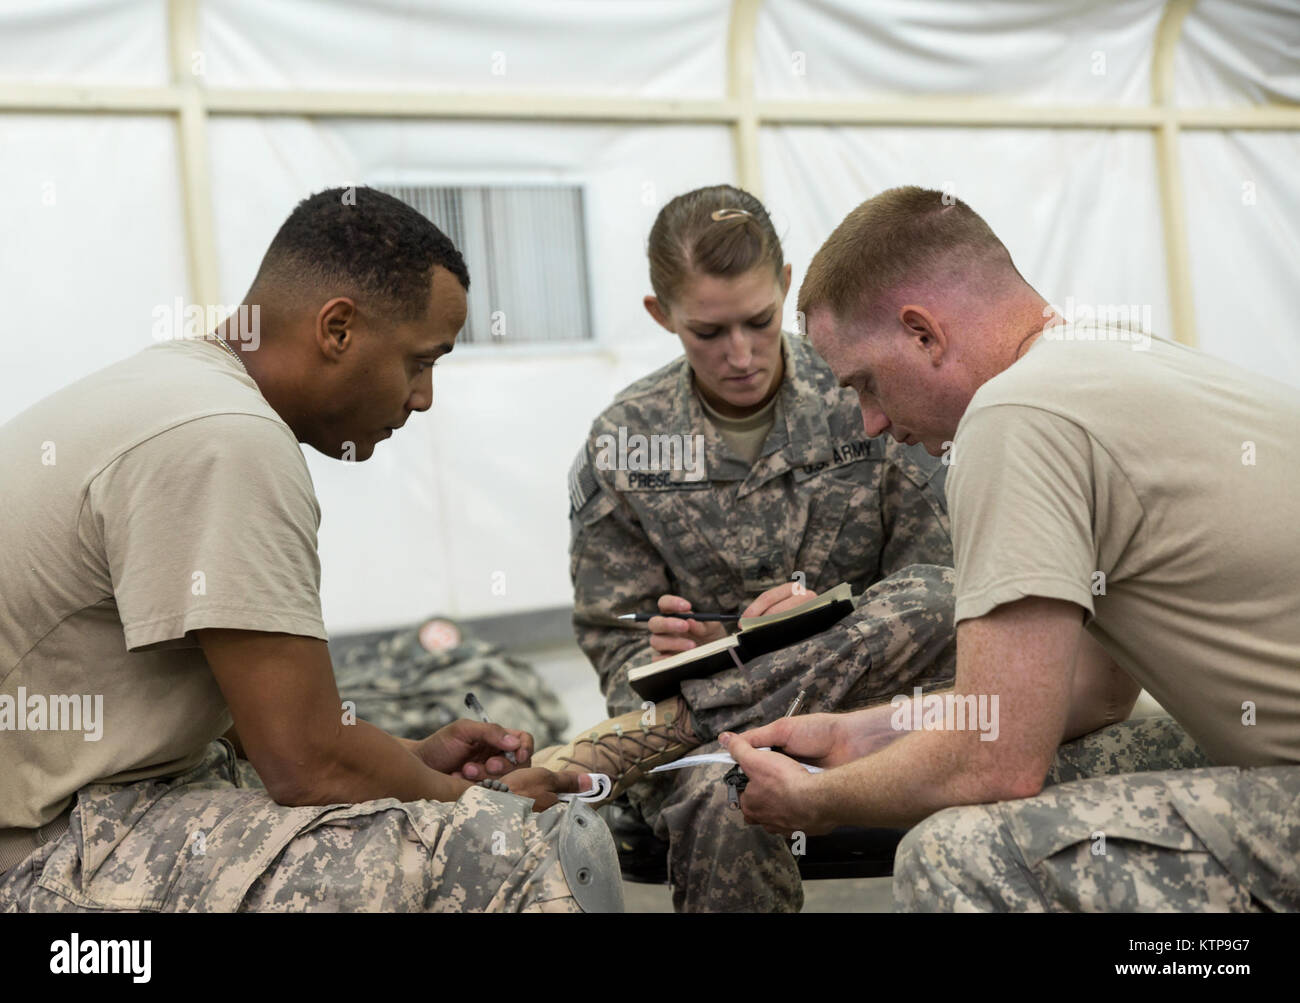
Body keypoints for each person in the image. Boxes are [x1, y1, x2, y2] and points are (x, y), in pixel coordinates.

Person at [0, 187, 621, 913]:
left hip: (82, 806)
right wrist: (467, 801)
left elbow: (259, 720)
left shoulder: (179, 389)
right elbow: (305, 761)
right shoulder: (227, 437)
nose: (422, 398)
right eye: (420, 362)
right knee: (510, 846)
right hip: (44, 854)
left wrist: (406, 761)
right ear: (337, 329)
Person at [722, 185, 1300, 912]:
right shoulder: (1104, 361)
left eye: (866, 382)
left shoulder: (1014, 415)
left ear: (923, 333)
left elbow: (995, 760)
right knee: (1086, 763)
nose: (871, 422)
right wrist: (860, 733)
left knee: (954, 856)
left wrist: (821, 798)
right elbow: (1093, 689)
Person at [539, 185, 957, 912]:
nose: (740, 354)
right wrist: (673, 652)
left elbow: (939, 590)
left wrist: (828, 625)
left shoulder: (866, 393)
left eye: (760, 321)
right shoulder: (626, 444)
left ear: (788, 285)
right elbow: (615, 642)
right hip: (707, 746)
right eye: (708, 331)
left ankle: (711, 706)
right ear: (659, 315)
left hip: (878, 708)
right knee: (724, 795)